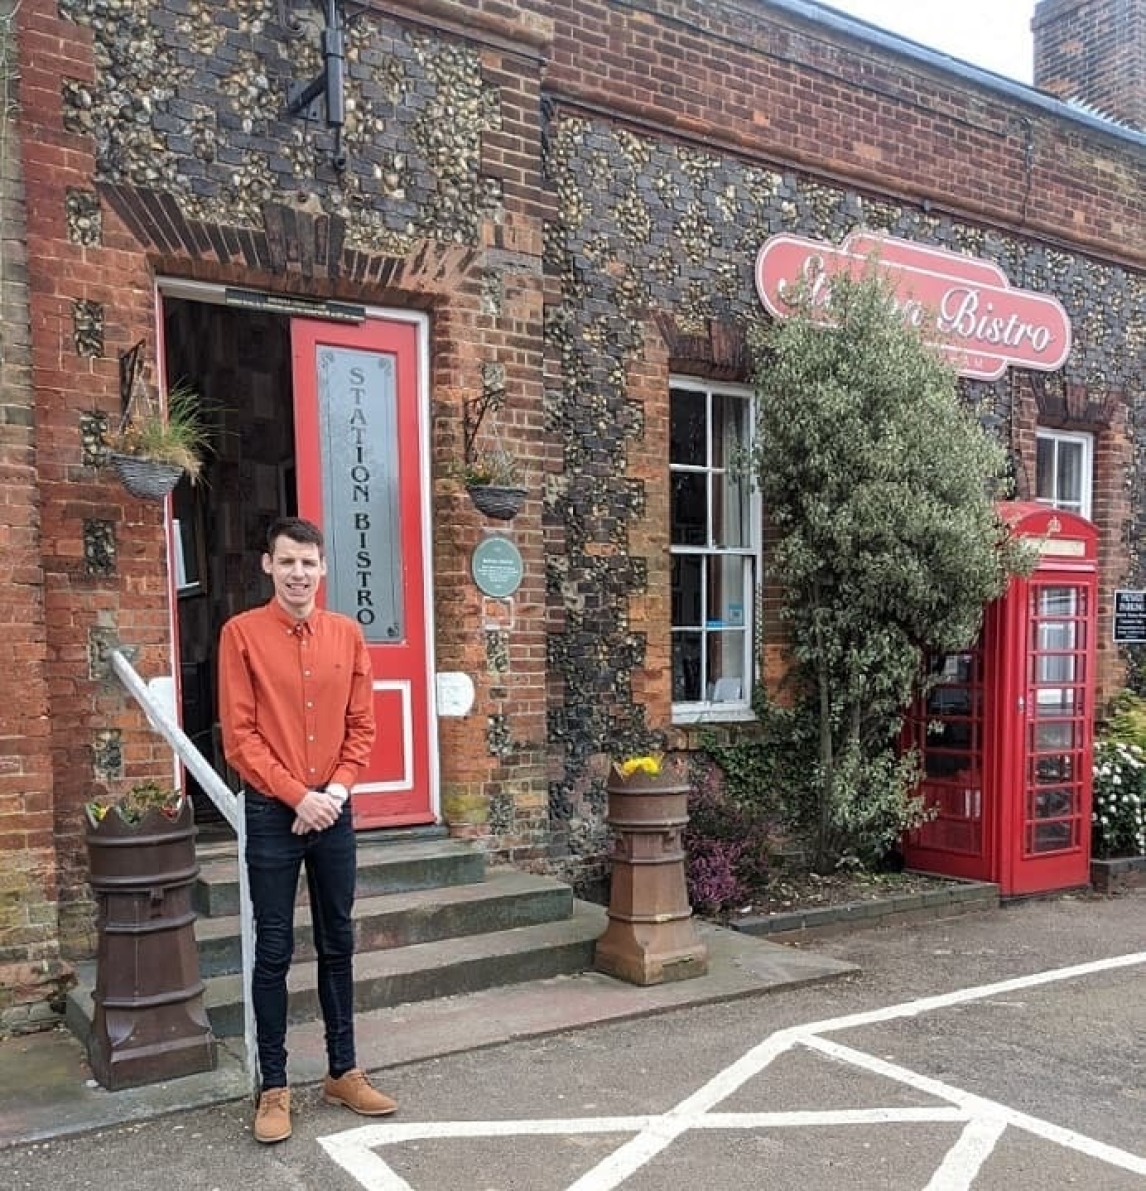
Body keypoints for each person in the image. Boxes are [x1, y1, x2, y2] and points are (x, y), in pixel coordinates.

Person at [219, 516, 398, 1144]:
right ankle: (274, 1085)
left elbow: (362, 727)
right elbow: (240, 737)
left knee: (338, 942)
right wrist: (301, 796)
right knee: (273, 949)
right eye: (288, 561)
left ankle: (343, 1070)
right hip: (273, 811)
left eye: (309, 563)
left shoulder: (347, 636)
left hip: (334, 806)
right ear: (268, 565)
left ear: (323, 570)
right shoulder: (240, 635)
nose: (299, 573)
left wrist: (336, 793)